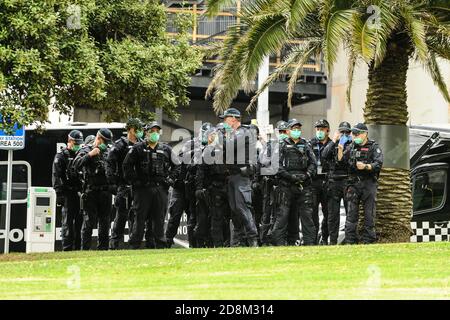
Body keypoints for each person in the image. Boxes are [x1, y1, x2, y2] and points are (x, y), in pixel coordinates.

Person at [123, 121, 179, 249]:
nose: (155, 133)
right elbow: (126, 166)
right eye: (152, 131)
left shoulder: (166, 149)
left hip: (160, 188)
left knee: (159, 218)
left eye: (157, 131)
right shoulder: (137, 148)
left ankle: (160, 245)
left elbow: (177, 166)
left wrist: (170, 180)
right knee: (139, 218)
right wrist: (135, 181)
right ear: (146, 132)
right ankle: (135, 245)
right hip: (142, 189)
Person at [165, 122, 213, 248]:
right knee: (175, 215)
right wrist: (199, 150)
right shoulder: (191, 143)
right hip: (180, 186)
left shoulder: (211, 147)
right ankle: (167, 242)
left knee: (194, 216)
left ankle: (194, 245)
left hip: (193, 187)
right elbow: (183, 157)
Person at [219, 108, 259, 247]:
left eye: (226, 119)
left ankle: (253, 239)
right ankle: (238, 241)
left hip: (241, 176)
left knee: (242, 208)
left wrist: (218, 138)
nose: (224, 122)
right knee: (235, 210)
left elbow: (229, 146)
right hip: (232, 176)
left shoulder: (243, 132)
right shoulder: (232, 134)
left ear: (233, 119)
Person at [274, 119, 317, 246]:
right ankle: (280, 243)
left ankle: (309, 243)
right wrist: (289, 177)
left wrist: (307, 175)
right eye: (294, 129)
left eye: (298, 128)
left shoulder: (306, 144)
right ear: (288, 131)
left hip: (304, 186)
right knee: (283, 216)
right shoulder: (281, 145)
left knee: (307, 217)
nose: (296, 131)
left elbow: (313, 163)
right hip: (286, 186)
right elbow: (276, 165)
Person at [339, 123, 383, 244]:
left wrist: (366, 166)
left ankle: (368, 240)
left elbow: (378, 164)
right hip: (353, 184)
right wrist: (340, 149)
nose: (355, 136)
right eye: (354, 134)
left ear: (365, 134)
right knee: (351, 215)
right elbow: (342, 162)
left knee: (369, 215)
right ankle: (350, 241)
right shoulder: (352, 146)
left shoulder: (374, 147)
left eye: (357, 134)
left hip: (368, 184)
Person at [73, 128, 114, 250]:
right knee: (89, 223)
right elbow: (75, 165)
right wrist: (90, 155)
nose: (106, 144)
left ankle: (103, 249)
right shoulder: (86, 150)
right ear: (98, 138)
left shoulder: (109, 151)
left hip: (105, 192)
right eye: (104, 141)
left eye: (107, 142)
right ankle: (85, 250)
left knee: (105, 223)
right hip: (91, 191)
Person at [107, 118, 144, 249]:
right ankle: (115, 244)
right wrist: (114, 184)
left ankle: (133, 245)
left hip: (137, 187)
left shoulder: (142, 144)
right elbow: (110, 164)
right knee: (121, 215)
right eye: (138, 128)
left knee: (136, 216)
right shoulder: (120, 145)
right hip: (123, 186)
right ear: (131, 129)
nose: (141, 131)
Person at [195, 126, 231, 247]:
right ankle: (218, 244)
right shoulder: (207, 151)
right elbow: (201, 171)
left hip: (228, 186)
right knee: (217, 217)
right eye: (213, 135)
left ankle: (229, 242)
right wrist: (199, 187)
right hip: (214, 187)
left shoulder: (227, 149)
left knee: (231, 217)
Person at [52, 130, 84, 251]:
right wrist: (59, 193)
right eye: (76, 143)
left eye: (79, 143)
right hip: (67, 193)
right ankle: (67, 248)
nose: (77, 145)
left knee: (80, 222)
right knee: (67, 223)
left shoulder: (81, 154)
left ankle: (78, 248)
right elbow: (56, 176)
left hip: (80, 193)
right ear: (69, 141)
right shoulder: (61, 156)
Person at [322, 121, 353, 245]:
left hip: (346, 180)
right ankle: (333, 241)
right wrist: (334, 141)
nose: (344, 134)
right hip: (333, 182)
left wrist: (347, 144)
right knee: (332, 215)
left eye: (347, 132)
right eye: (342, 132)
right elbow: (324, 155)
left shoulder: (352, 145)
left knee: (350, 213)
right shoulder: (332, 144)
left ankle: (350, 240)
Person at [259, 120, 288, 245]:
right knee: (267, 213)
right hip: (271, 184)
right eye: (280, 131)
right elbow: (263, 161)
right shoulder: (271, 145)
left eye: (284, 131)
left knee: (281, 213)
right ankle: (265, 239)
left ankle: (279, 239)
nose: (282, 134)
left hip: (284, 184)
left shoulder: (290, 146)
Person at [309, 119, 333, 244]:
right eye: (317, 129)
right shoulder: (310, 143)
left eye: (322, 129)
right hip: (313, 182)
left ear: (327, 131)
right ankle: (313, 239)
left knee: (328, 212)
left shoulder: (332, 145)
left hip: (327, 182)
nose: (319, 131)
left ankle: (324, 237)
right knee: (313, 212)